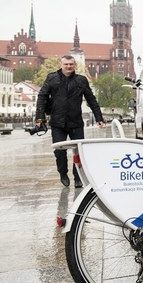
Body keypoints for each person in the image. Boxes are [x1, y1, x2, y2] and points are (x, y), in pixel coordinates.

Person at [35, 55, 105, 188]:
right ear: (61, 65)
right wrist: (39, 118)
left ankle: (78, 176)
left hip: (76, 122)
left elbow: (91, 100)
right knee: (59, 151)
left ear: (74, 65)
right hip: (57, 122)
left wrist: (99, 118)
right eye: (66, 64)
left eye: (71, 64)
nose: (68, 66)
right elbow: (42, 97)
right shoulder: (52, 78)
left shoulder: (81, 80)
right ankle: (62, 173)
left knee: (79, 151)